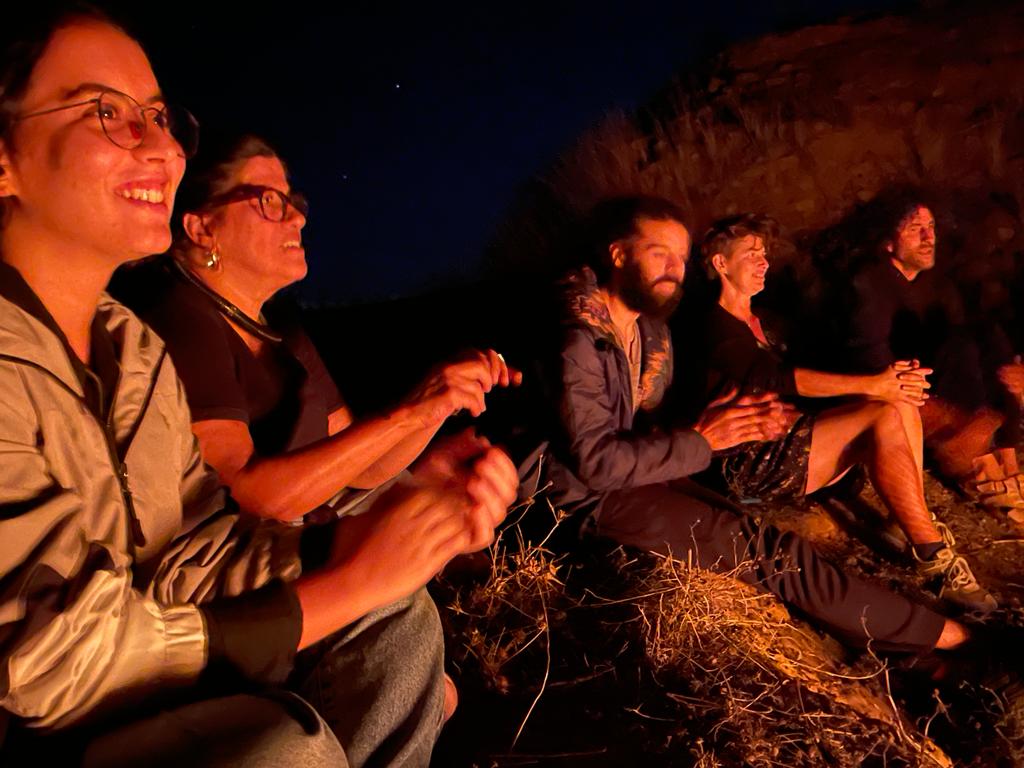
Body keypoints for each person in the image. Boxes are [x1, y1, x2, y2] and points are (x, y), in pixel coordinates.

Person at [0, 7, 516, 767]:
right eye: (105, 112)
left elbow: (190, 547)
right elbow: (48, 660)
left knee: (398, 619)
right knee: (284, 747)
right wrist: (341, 583)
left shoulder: (133, 349)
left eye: (159, 117)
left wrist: (374, 530)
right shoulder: (174, 326)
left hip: (157, 649)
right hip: (47, 717)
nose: (164, 148)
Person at [116, 130, 521, 763]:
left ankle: (397, 697)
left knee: (422, 515)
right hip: (223, 562)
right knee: (399, 606)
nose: (297, 216)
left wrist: (435, 411)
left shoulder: (279, 329)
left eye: (294, 200)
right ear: (200, 226)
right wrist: (411, 412)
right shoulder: (185, 318)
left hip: (297, 527)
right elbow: (251, 492)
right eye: (268, 200)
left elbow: (361, 464)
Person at [529, 195, 976, 661]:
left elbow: (651, 420)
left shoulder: (648, 330)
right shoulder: (580, 340)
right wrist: (704, 438)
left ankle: (899, 632)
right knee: (774, 553)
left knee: (760, 535)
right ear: (619, 255)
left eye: (680, 257)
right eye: (659, 253)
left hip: (643, 473)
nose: (674, 269)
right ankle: (941, 637)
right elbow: (597, 463)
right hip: (584, 503)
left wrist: (723, 425)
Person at [685, 213, 992, 612]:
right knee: (883, 412)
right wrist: (872, 385)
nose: (763, 262)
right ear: (720, 263)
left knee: (900, 401)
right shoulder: (713, 325)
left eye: (764, 254)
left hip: (789, 438)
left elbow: (813, 377)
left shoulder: (766, 322)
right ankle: (934, 557)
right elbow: (775, 378)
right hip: (747, 462)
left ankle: (906, 520)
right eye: (751, 254)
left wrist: (892, 380)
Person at [844, 190, 1024, 517]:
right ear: (887, 241)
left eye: (931, 227)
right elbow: (872, 370)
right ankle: (976, 467)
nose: (929, 238)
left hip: (941, 391)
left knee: (987, 337)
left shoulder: (934, 283)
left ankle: (1006, 457)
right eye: (915, 229)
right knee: (959, 346)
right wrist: (955, 422)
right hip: (905, 398)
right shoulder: (869, 287)